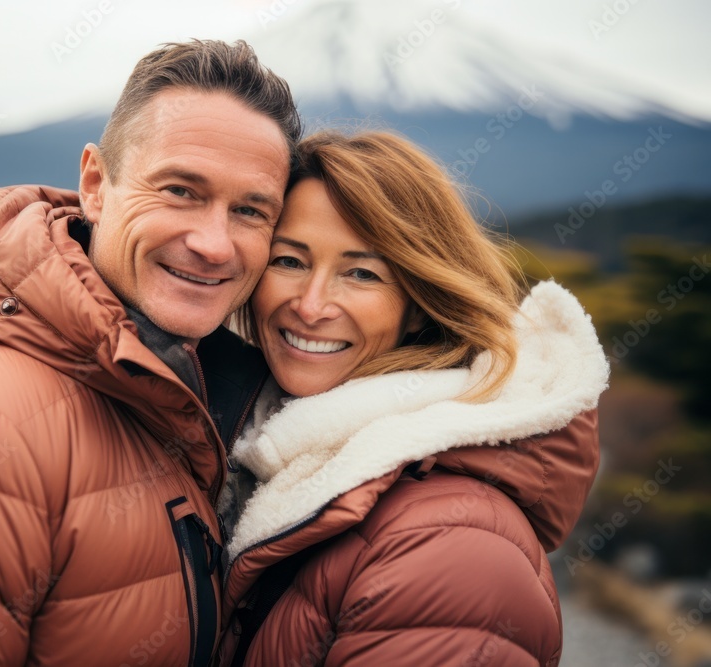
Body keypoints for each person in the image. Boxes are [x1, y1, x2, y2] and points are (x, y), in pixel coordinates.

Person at [0, 40, 300, 666]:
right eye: (180, 191)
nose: (213, 243)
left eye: (250, 210)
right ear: (95, 184)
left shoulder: (195, 403)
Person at [216, 131, 609, 665]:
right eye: (289, 261)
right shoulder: (259, 444)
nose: (310, 306)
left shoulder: (451, 542)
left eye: (361, 273)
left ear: (422, 303)